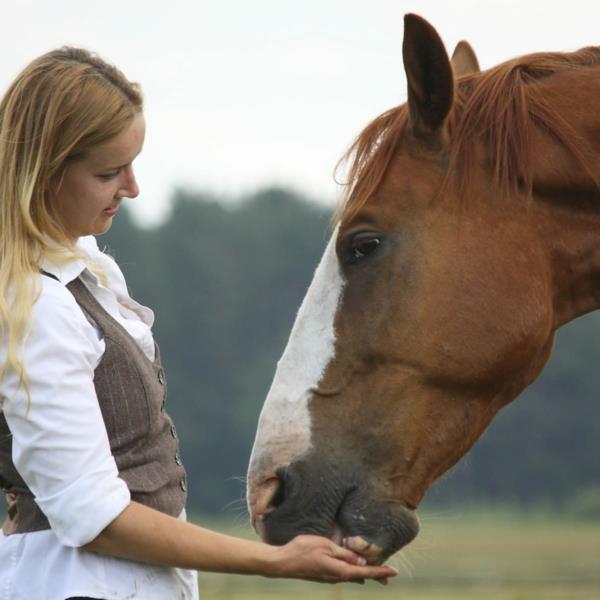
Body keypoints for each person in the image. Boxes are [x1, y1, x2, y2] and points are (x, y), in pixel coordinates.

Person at [0, 48, 397, 599]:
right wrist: (274, 561)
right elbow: (95, 518)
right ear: (43, 171)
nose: (132, 188)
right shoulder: (38, 308)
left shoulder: (81, 277)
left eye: (133, 164)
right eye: (108, 172)